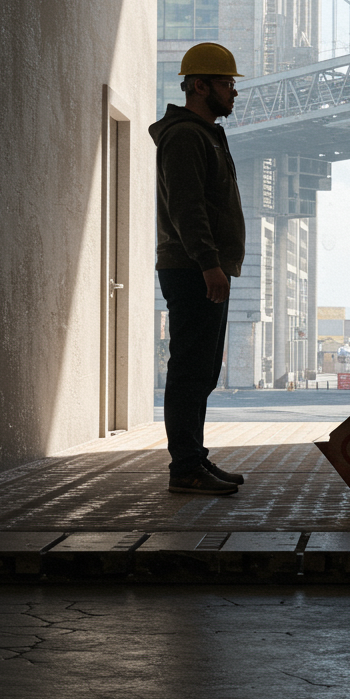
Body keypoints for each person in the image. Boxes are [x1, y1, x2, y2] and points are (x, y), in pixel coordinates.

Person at [148, 42, 247, 495]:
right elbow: (188, 208)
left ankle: (194, 459)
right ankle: (185, 469)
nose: (234, 92)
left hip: (202, 267)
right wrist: (209, 264)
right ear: (200, 86)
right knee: (191, 369)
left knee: (203, 369)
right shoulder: (186, 136)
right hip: (192, 268)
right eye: (227, 83)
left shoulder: (204, 133)